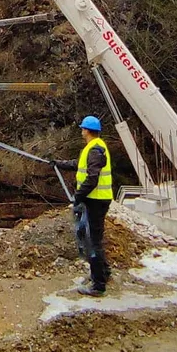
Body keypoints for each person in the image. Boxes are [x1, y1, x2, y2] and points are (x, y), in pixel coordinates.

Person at [52, 116, 114, 296]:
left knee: (93, 242)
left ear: (87, 130)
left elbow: (92, 178)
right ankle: (103, 273)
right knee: (92, 239)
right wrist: (59, 163)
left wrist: (78, 196)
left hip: (96, 200)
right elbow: (78, 165)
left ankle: (98, 285)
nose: (81, 131)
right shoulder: (94, 148)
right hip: (95, 199)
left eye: (82, 129)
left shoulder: (95, 149)